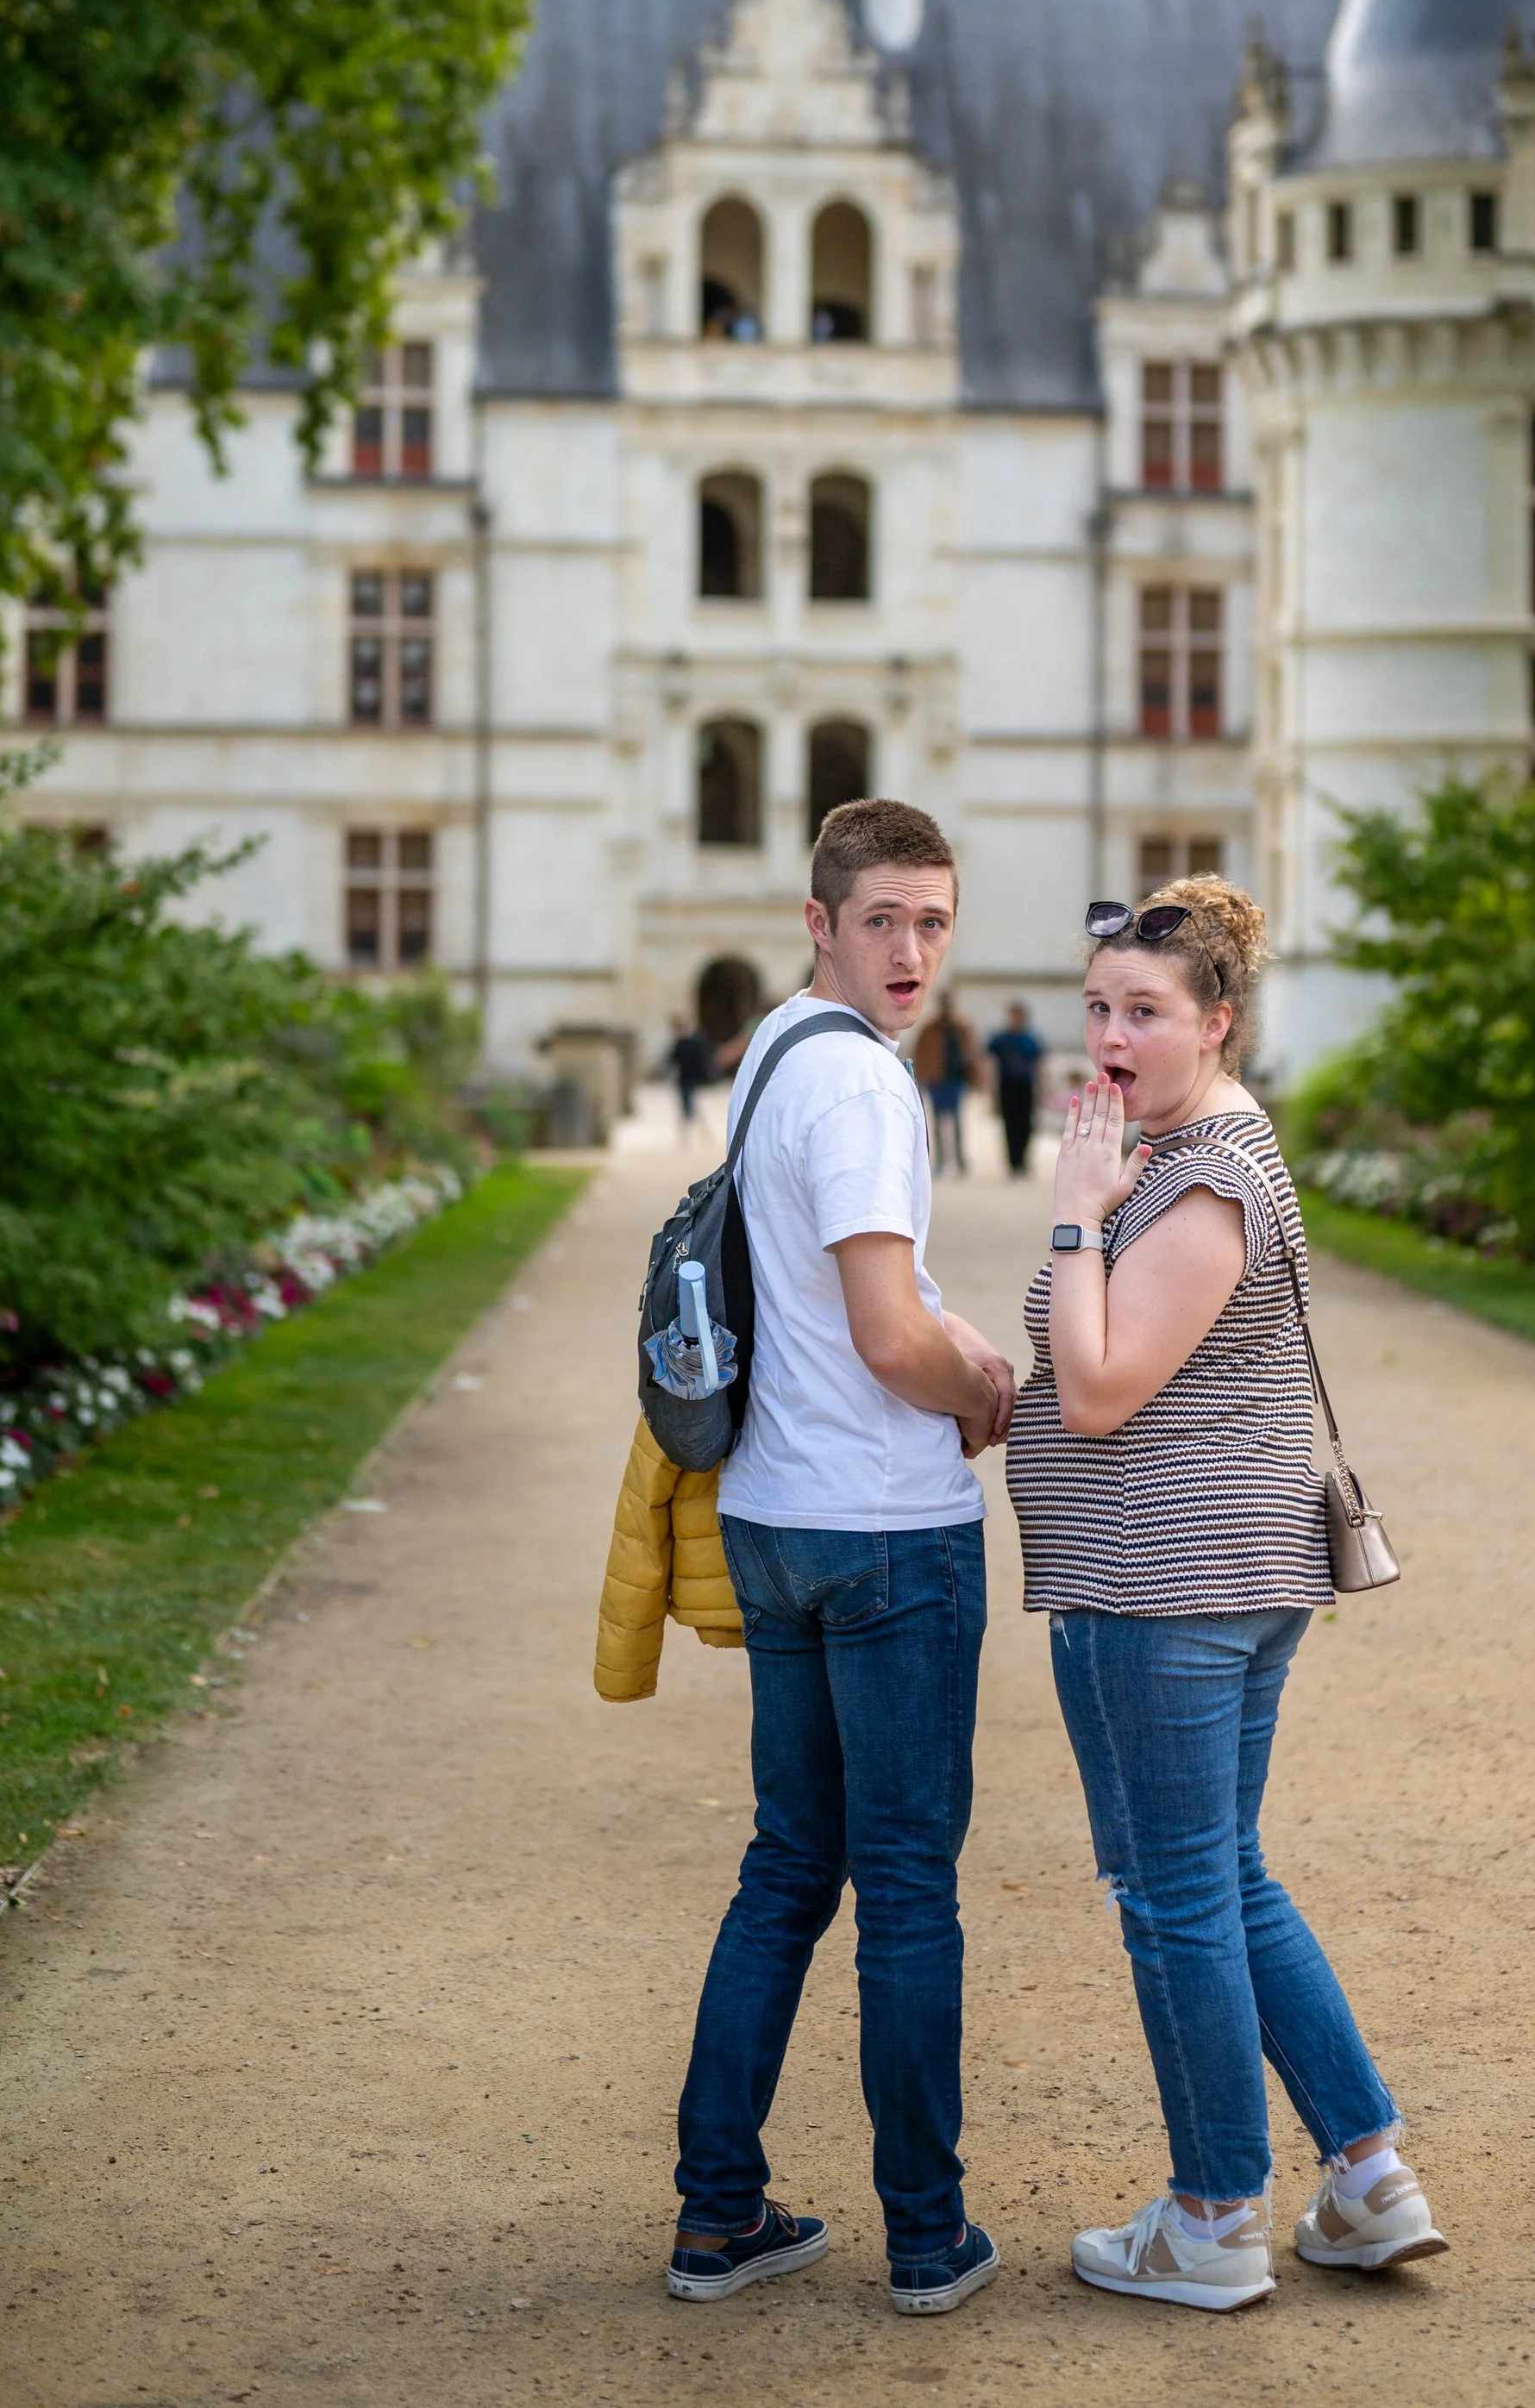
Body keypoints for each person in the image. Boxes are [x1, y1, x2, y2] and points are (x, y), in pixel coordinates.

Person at [1002, 874, 1447, 2314]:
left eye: (1146, 1012)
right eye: (1098, 1007)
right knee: (1223, 1877)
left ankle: (1210, 2216)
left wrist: (1076, 1217)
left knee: (1172, 1891)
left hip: (1165, 1590)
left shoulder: (1199, 1175)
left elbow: (1103, 1384)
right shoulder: (1189, 1147)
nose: (1112, 1035)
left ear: (1218, 1022)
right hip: (1212, 1578)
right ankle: (1371, 2180)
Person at [667, 798, 1016, 2320]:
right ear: (819, 920)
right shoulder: (867, 1087)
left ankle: (717, 2214)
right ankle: (927, 2234)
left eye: (934, 921)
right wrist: (985, 1386)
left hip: (771, 1514)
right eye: (884, 919)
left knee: (786, 1866)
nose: (912, 951)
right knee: (908, 1892)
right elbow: (886, 1335)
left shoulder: (773, 1053)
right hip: (885, 1535)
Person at [912, 1001, 975, 1175]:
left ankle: (959, 1159)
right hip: (937, 1079)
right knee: (938, 1122)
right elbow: (921, 1052)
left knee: (957, 1121)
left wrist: (972, 1077)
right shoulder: (930, 1029)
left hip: (955, 1079)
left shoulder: (961, 1028)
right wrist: (921, 1077)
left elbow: (971, 1051)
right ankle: (940, 1160)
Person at [985, 1000, 1045, 1177]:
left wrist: (1042, 1090)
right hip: (1007, 1086)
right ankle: (1013, 1162)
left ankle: (1023, 1160)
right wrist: (991, 1089)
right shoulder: (1000, 1039)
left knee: (1026, 1124)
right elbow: (990, 1064)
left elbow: (1039, 1066)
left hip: (1026, 1087)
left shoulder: (1030, 1040)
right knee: (1009, 1125)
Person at [668, 1011, 715, 1138]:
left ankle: (696, 1131)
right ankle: (689, 1132)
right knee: (688, 1104)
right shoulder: (682, 1042)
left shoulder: (696, 1040)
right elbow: (673, 1059)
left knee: (692, 1104)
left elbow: (704, 1058)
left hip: (693, 1077)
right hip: (684, 1077)